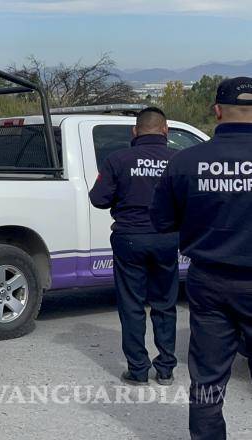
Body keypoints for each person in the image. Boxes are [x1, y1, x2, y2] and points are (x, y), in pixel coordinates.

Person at [151, 77, 252, 440]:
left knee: (207, 381)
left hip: (209, 281)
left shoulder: (186, 161)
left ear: (217, 110)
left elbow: (161, 221)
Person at [89, 107, 180, 386]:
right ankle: (165, 369)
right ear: (165, 131)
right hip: (166, 238)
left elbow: (99, 199)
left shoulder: (118, 159)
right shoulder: (179, 159)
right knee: (165, 303)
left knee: (132, 304)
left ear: (135, 131)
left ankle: (138, 370)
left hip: (129, 238)